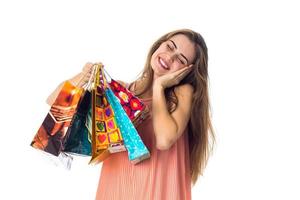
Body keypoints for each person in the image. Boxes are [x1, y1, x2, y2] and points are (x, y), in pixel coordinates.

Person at [46, 28, 215, 200]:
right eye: (170, 46)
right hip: (116, 190)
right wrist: (83, 76)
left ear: (187, 71)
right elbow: (55, 103)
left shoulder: (182, 93)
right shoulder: (120, 94)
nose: (169, 57)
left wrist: (159, 87)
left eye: (180, 59)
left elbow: (164, 140)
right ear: (159, 44)